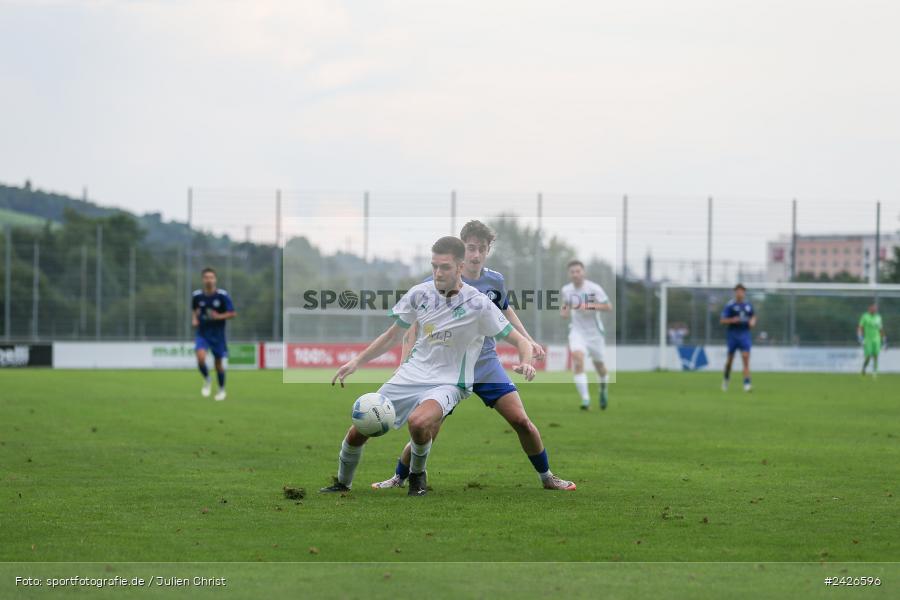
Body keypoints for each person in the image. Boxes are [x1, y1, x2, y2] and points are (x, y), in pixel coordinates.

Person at [321, 236, 537, 497]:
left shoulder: (479, 303)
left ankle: (417, 476)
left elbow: (518, 340)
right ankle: (342, 483)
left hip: (449, 382)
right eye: (434, 265)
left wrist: (526, 362)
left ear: (460, 267)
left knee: (419, 423)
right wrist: (357, 362)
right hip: (411, 374)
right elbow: (392, 335)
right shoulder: (419, 293)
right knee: (360, 428)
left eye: (444, 267)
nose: (437, 272)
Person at [371, 220, 576, 491]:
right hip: (445, 368)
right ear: (461, 249)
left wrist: (527, 340)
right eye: (470, 248)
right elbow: (412, 327)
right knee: (428, 428)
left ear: (488, 250)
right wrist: (404, 363)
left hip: (485, 363)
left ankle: (547, 477)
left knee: (521, 421)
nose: (475, 254)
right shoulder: (437, 280)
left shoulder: (494, 280)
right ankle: (400, 476)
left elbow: (506, 310)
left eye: (481, 248)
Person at [560, 260, 612, 410]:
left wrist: (588, 306)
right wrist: (564, 311)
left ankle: (603, 388)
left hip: (595, 334)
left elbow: (608, 306)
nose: (575, 274)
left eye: (578, 271)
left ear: (584, 272)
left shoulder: (594, 288)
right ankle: (585, 399)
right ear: (569, 274)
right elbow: (566, 305)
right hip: (577, 331)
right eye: (572, 272)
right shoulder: (566, 290)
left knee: (599, 365)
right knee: (577, 359)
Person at [191, 268, 236, 401]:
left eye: (211, 277)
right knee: (200, 358)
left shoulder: (222, 295)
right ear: (202, 279)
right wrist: (194, 318)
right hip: (203, 333)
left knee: (218, 365)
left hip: (218, 335)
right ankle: (207, 379)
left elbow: (232, 313)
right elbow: (194, 309)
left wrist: (219, 316)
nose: (209, 280)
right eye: (206, 277)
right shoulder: (197, 296)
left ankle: (221, 390)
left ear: (215, 279)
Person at [720, 283, 755, 392]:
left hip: (745, 334)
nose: (740, 293)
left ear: (744, 292)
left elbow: (753, 316)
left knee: (745, 358)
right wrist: (732, 320)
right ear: (735, 292)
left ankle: (747, 384)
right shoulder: (730, 305)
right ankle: (726, 379)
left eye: (742, 291)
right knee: (730, 360)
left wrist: (752, 322)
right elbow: (722, 320)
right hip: (733, 335)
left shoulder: (748, 306)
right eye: (738, 291)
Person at [858, 303, 885, 378]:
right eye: (873, 308)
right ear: (869, 308)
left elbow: (881, 329)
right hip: (868, 339)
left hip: (877, 339)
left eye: (875, 308)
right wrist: (860, 337)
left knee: (876, 356)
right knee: (868, 356)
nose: (875, 309)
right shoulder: (865, 316)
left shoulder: (878, 317)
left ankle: (875, 372)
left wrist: (884, 339)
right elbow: (860, 327)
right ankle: (864, 368)